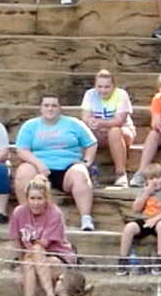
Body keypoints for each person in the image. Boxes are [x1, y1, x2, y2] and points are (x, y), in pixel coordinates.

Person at [12, 95, 99, 232]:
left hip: (68, 168)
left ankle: (86, 218)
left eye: (54, 105)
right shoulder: (30, 126)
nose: (50, 109)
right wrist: (39, 164)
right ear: (40, 108)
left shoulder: (73, 123)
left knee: (80, 173)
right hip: (39, 168)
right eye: (46, 105)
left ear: (60, 108)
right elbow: (22, 150)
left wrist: (87, 162)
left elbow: (91, 143)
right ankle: (27, 217)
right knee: (23, 171)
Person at [8, 175, 79, 296]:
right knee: (28, 264)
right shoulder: (19, 213)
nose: (36, 203)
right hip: (34, 260)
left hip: (59, 259)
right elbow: (18, 243)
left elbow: (43, 244)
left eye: (39, 198)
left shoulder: (54, 213)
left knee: (36, 249)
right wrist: (22, 264)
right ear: (27, 198)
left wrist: (29, 257)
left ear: (46, 198)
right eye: (32, 198)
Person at [79, 68, 137, 188]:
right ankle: (89, 172)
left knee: (114, 131)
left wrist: (100, 123)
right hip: (99, 133)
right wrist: (95, 124)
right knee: (83, 132)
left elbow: (119, 121)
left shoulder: (121, 94)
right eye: (99, 87)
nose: (103, 90)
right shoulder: (90, 94)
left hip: (123, 132)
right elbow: (85, 117)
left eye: (107, 87)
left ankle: (120, 174)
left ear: (113, 86)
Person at [118, 171, 161, 274]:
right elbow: (136, 208)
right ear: (146, 181)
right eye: (152, 178)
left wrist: (155, 219)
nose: (155, 181)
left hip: (160, 220)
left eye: (158, 177)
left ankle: (160, 259)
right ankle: (123, 260)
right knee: (129, 227)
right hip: (144, 220)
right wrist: (146, 193)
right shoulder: (143, 192)